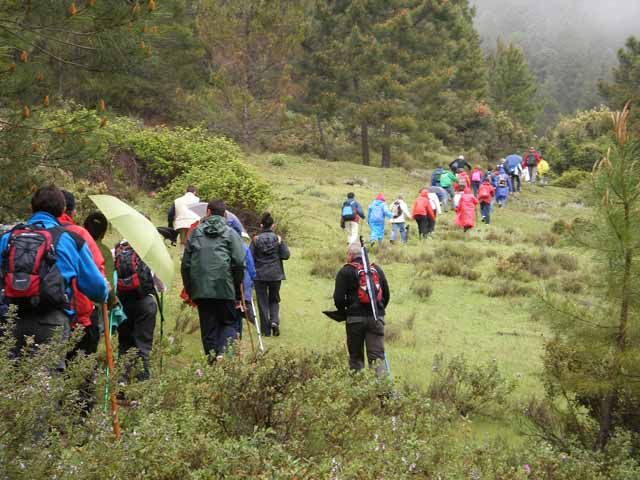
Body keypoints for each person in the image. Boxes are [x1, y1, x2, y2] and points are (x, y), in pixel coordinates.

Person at [0, 186, 108, 366]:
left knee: (13, 381)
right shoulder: (68, 239)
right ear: (62, 210)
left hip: (11, 319)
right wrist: (104, 293)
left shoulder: (8, 237)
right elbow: (95, 288)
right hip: (51, 321)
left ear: (31, 207)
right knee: (46, 383)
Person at [182, 200, 245, 361]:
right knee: (228, 323)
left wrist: (190, 290)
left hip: (201, 289)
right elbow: (239, 263)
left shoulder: (195, 233)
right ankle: (223, 354)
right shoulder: (231, 234)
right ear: (224, 214)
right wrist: (237, 290)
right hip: (225, 288)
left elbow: (186, 265)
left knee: (208, 327)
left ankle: (212, 363)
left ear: (208, 212)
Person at [58, 191, 107, 359]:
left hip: (30, 317)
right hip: (78, 318)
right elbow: (97, 277)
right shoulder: (78, 234)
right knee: (79, 374)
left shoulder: (25, 233)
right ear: (71, 211)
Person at [333, 243, 390, 375]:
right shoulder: (376, 270)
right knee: (377, 358)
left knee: (356, 357)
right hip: (376, 318)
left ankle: (357, 388)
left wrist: (345, 312)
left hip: (355, 319)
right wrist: (379, 311)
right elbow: (386, 295)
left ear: (351, 255)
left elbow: (338, 298)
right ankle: (382, 391)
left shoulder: (345, 271)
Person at [115, 240, 164, 380]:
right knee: (143, 344)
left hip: (122, 303)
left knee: (124, 342)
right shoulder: (150, 254)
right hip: (145, 304)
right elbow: (161, 287)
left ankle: (122, 382)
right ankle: (142, 382)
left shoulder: (117, 251)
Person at [251, 212, 290, 337]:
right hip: (275, 275)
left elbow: (249, 257)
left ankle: (265, 331)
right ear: (273, 226)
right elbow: (286, 255)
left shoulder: (256, 240)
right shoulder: (278, 239)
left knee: (262, 301)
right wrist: (280, 244)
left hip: (260, 275)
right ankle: (274, 321)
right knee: (274, 299)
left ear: (261, 225)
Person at [168, 186, 201, 254]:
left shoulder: (177, 200)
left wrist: (170, 225)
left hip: (181, 224)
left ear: (185, 191)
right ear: (194, 192)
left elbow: (170, 214)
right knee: (192, 242)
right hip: (194, 223)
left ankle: (182, 257)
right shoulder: (198, 200)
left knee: (183, 242)